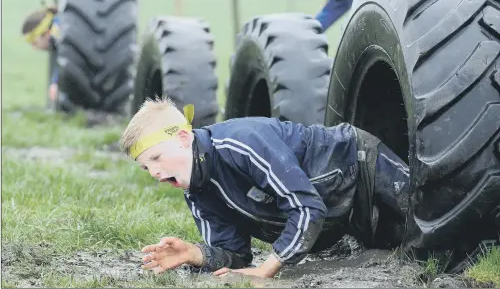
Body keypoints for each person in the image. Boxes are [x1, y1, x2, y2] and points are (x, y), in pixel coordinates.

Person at [119, 97, 410, 278]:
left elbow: (306, 207)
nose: (154, 172)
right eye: (146, 167)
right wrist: (195, 254)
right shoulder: (197, 194)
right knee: (408, 253)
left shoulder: (240, 142)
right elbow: (235, 255)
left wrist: (266, 269)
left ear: (183, 138)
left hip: (359, 167)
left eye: (156, 158)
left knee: (438, 227)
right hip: (338, 220)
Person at [21, 5, 61, 106]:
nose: (35, 48)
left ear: (46, 33)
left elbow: (66, 60)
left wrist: (55, 83)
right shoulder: (58, 28)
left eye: (34, 43)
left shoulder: (59, 33)